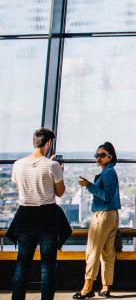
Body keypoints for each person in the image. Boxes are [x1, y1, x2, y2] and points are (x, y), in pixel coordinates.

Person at [8, 128, 71, 300]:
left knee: (22, 264)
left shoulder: (18, 164)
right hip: (46, 217)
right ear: (49, 143)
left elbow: (19, 185)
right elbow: (60, 192)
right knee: (48, 266)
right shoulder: (53, 165)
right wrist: (59, 173)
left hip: (25, 216)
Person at [73, 142, 121, 299]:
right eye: (96, 155)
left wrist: (89, 185)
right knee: (107, 252)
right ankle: (105, 286)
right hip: (112, 215)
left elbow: (106, 196)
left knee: (93, 251)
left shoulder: (108, 173)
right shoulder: (110, 172)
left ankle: (87, 288)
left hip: (102, 215)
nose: (98, 158)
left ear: (110, 157)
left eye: (101, 155)